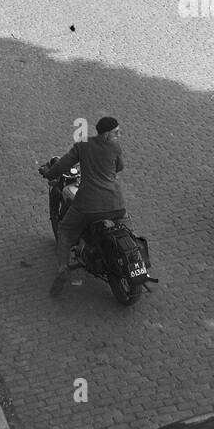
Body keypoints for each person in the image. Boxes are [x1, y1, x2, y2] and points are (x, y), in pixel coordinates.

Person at [42, 117, 126, 297]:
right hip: (116, 203)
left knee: (65, 229)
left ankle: (63, 268)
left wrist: (49, 174)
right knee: (123, 229)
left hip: (88, 204)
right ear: (105, 135)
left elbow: (64, 164)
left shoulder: (83, 145)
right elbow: (120, 167)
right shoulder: (115, 148)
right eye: (116, 132)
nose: (119, 135)